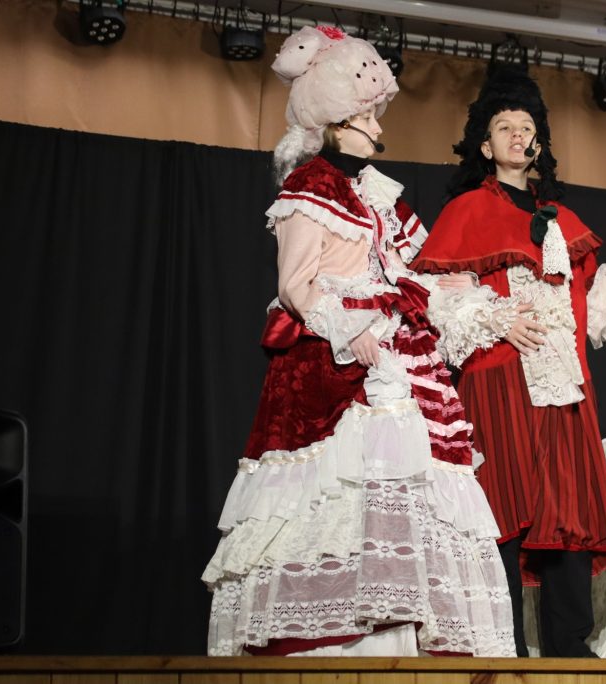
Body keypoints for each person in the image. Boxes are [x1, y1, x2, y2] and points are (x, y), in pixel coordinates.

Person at [201, 26, 516, 657]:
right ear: (337, 120)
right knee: (335, 492)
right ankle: (328, 641)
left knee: (407, 487)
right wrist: (352, 331)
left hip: (391, 354)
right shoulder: (309, 187)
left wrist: (454, 288)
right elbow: (296, 286)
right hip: (332, 360)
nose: (377, 126)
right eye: (367, 115)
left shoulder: (376, 191)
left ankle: (399, 634)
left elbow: (406, 269)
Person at [412, 65, 606, 658]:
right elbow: (435, 294)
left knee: (567, 513)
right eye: (505, 127)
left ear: (538, 142)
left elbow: (588, 308)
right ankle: (501, 647)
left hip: (565, 385)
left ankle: (570, 648)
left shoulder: (561, 219)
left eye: (527, 127)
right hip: (500, 379)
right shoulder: (467, 210)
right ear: (485, 145)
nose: (519, 135)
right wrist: (499, 320)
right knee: (503, 510)